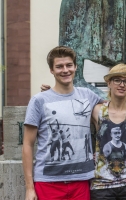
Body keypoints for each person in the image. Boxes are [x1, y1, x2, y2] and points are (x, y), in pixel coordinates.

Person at [22, 46, 103, 200]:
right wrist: (29, 188)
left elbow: (115, 108)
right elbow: (27, 144)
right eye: (59, 66)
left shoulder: (88, 95)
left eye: (69, 65)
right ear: (52, 70)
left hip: (81, 181)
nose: (65, 70)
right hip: (48, 182)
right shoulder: (39, 100)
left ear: (75, 67)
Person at [90, 63, 126, 199]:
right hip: (102, 184)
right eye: (117, 80)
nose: (122, 84)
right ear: (109, 83)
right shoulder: (97, 111)